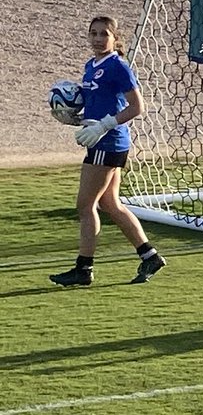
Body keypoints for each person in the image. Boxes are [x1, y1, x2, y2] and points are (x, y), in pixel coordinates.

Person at [49, 16, 166, 287]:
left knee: (85, 205)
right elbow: (97, 104)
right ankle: (149, 256)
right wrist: (76, 118)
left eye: (104, 34)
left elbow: (137, 107)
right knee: (110, 204)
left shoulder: (117, 67)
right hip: (101, 140)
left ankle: (84, 268)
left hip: (108, 142)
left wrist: (104, 125)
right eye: (94, 34)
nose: (98, 39)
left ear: (115, 38)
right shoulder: (91, 65)